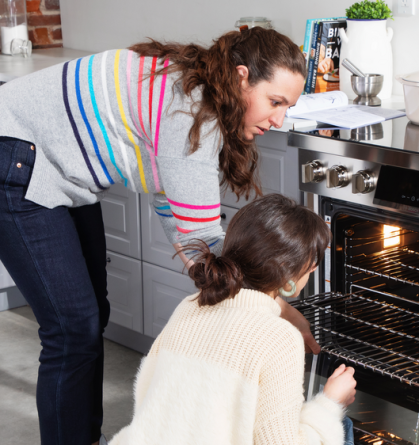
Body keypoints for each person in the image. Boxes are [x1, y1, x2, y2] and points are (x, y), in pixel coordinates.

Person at [0, 27, 318, 445]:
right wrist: (282, 313)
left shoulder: (194, 89)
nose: (278, 120)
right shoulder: (191, 116)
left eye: (287, 107)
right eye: (274, 102)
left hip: (57, 170)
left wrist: (244, 296)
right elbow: (204, 237)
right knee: (72, 328)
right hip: (18, 155)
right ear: (242, 77)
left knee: (90, 314)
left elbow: (179, 216)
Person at [109, 194, 356, 444]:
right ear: (286, 271)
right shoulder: (280, 338)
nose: (313, 268)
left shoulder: (190, 306)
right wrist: (331, 402)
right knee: (341, 425)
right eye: (312, 260)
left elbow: (148, 400)